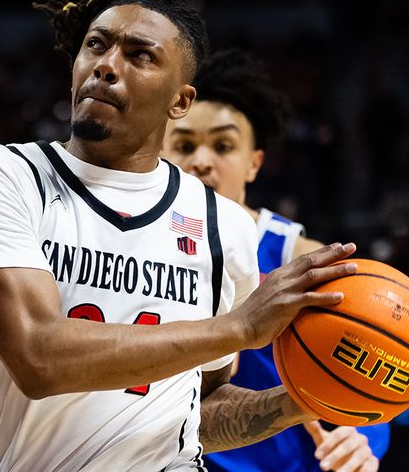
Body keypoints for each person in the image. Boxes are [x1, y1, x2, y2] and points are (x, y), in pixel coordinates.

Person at [0, 0, 359, 470]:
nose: (106, 66)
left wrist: (297, 403)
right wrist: (238, 327)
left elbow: (197, 410)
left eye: (140, 55)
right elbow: (37, 355)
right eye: (96, 45)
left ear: (180, 101)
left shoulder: (225, 226)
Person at [162, 49, 387, 472]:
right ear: (160, 152)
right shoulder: (133, 247)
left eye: (224, 145)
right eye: (185, 144)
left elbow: (372, 357)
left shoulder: (294, 254)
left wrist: (362, 438)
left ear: (254, 163)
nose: (203, 160)